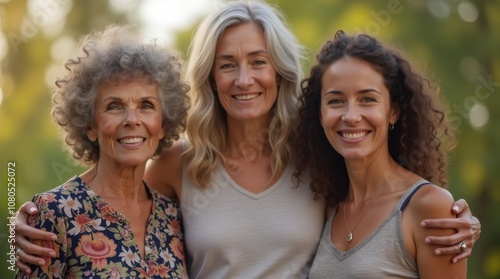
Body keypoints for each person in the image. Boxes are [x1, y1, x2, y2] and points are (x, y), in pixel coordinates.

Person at [14, 1, 479, 278]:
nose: (243, 79)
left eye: (258, 61)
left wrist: (456, 217)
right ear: (210, 78)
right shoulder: (178, 165)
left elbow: (384, 195)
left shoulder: (319, 156)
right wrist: (34, 219)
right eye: (227, 64)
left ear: (278, 71)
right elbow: (113, 196)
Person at [14, 25, 190, 278]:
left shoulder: (173, 216)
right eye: (114, 106)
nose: (132, 119)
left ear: (162, 125)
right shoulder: (55, 213)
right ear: (90, 126)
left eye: (146, 105)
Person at [296, 30, 467, 278]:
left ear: (393, 112)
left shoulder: (429, 206)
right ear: (320, 114)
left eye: (367, 99)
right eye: (335, 101)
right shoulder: (327, 207)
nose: (351, 116)